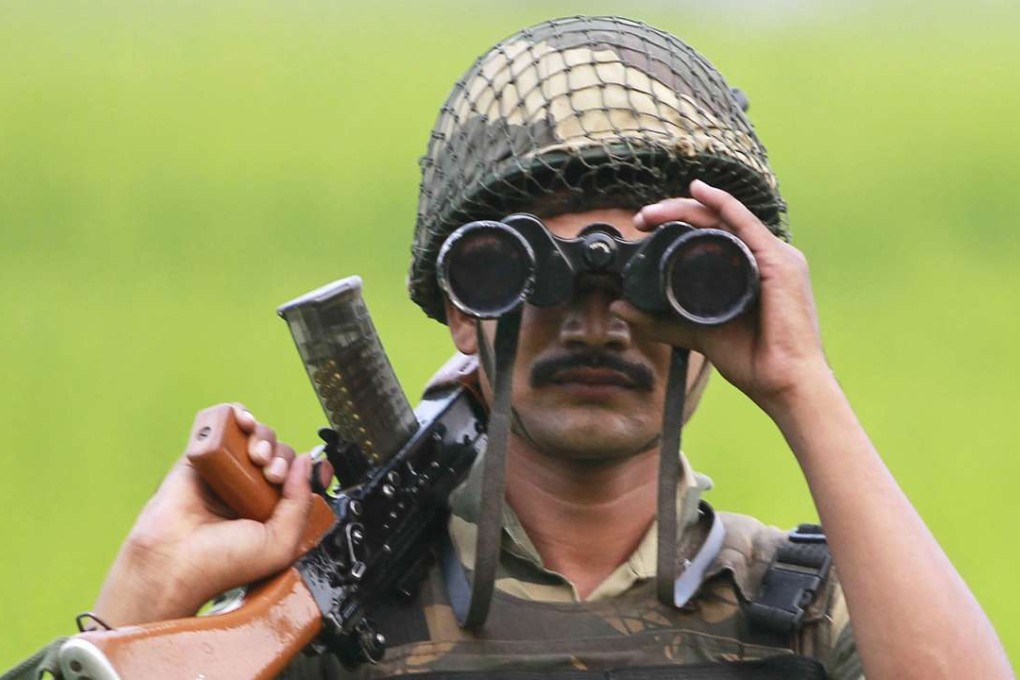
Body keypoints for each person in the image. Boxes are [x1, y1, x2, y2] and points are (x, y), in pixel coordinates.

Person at [5, 15, 1012, 680]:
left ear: (720, 315)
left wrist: (800, 380)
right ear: (461, 306)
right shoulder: (325, 616)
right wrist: (143, 594)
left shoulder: (798, 610)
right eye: (531, 271)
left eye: (664, 281)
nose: (598, 316)